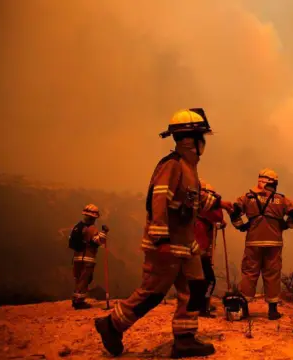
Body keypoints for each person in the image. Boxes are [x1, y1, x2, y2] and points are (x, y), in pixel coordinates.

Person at [94, 108, 233, 358]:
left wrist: (221, 203)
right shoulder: (172, 165)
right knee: (152, 293)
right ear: (191, 139)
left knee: (196, 288)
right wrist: (161, 239)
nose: (204, 143)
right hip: (168, 244)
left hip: (186, 244)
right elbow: (159, 200)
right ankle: (112, 325)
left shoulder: (189, 168)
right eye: (202, 137)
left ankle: (185, 339)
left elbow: (191, 199)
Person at [230, 168, 293, 320]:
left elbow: (233, 210)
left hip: (253, 242)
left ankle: (244, 309)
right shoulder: (282, 199)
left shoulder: (247, 197)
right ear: (274, 183)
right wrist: (287, 225)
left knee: (249, 274)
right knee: (272, 274)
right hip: (274, 243)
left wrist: (240, 226)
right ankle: (272, 310)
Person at [195, 179, 226, 318]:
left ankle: (198, 305)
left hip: (191, 251)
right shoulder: (204, 209)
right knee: (210, 280)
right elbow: (218, 215)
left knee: (195, 280)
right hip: (199, 252)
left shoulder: (194, 213)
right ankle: (203, 308)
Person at [68, 204, 108, 310]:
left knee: (78, 279)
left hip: (77, 258)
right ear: (94, 217)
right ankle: (79, 302)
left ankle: (76, 299)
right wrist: (104, 233)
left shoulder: (77, 227)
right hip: (88, 258)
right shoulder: (91, 228)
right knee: (84, 280)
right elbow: (98, 241)